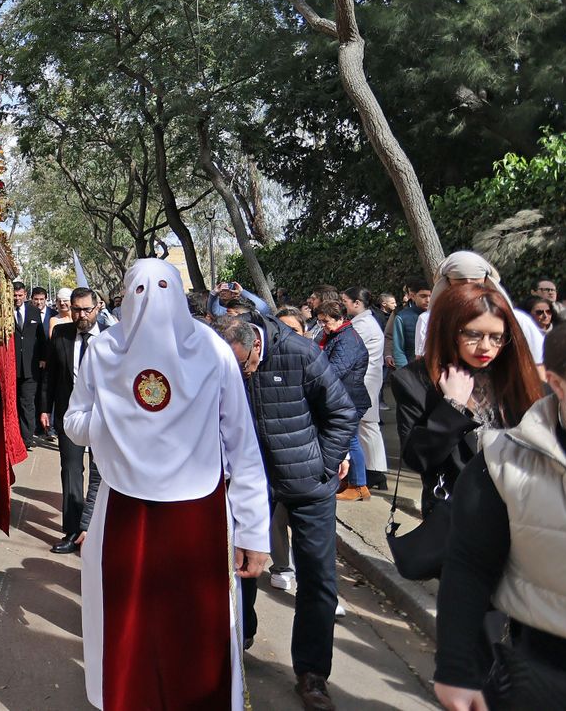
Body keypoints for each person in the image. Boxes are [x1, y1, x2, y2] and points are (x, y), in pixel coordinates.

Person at [63, 259, 270, 711]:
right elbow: (74, 421)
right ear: (124, 296)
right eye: (140, 290)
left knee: (194, 625)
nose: (152, 301)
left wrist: (254, 532)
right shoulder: (103, 349)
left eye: (162, 287)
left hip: (198, 511)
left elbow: (242, 443)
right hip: (124, 509)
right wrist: (112, 423)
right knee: (129, 622)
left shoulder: (212, 350)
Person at [215, 314, 358, 710]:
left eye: (244, 365)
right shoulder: (221, 361)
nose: (240, 374)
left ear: (257, 345)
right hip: (250, 484)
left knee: (318, 578)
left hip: (308, 485)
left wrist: (324, 465)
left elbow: (342, 412)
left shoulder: (300, 353)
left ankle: (312, 673)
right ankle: (240, 637)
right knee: (241, 565)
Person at [434, 323, 566, 709]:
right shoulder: (503, 463)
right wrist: (455, 667)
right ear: (557, 383)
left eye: (495, 336)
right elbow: (469, 566)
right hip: (543, 672)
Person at [396, 284, 543, 516]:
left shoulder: (513, 373)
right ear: (449, 330)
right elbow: (418, 459)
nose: (486, 346)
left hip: (520, 507)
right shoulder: (415, 380)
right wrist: (452, 406)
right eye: (473, 335)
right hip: (457, 512)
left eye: (496, 337)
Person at [43, 287, 103, 553]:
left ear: (97, 308)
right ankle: (73, 531)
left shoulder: (112, 339)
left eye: (86, 309)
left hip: (103, 417)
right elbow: (50, 376)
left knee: (101, 473)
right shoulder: (61, 334)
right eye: (76, 309)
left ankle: (96, 530)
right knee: (70, 470)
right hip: (71, 415)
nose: (81, 315)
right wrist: (45, 409)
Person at [415, 251, 544, 367]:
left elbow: (538, 363)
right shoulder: (429, 320)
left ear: (486, 281)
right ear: (447, 282)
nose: (468, 284)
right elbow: (423, 364)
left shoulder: (517, 319)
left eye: (496, 337)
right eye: (460, 280)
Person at [315, 300, 372, 501]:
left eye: (326, 321)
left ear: (340, 318)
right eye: (320, 321)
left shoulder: (347, 339)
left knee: (350, 440)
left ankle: (359, 485)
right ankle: (351, 481)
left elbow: (335, 370)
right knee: (348, 439)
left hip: (350, 399)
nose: (323, 325)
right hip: (345, 398)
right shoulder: (338, 335)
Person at [343, 287, 390, 492]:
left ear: (357, 303)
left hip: (365, 380)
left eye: (345, 301)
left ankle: (375, 471)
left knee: (368, 425)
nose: (343, 305)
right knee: (366, 426)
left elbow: (349, 348)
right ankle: (374, 470)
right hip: (364, 379)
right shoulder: (362, 322)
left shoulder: (364, 324)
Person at [11, 282, 47, 446]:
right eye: (14, 295)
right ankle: (13, 436)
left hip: (30, 367)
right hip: (12, 365)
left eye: (20, 295)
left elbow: (41, 337)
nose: (17, 298)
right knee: (13, 402)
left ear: (25, 295)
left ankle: (26, 438)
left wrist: (43, 358)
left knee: (27, 402)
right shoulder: (4, 311)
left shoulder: (34, 311)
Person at [389, 280, 430, 369]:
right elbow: (399, 350)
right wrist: (405, 372)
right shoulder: (402, 317)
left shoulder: (439, 314)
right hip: (413, 368)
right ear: (413, 296)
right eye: (423, 296)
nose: (428, 300)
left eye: (431, 296)